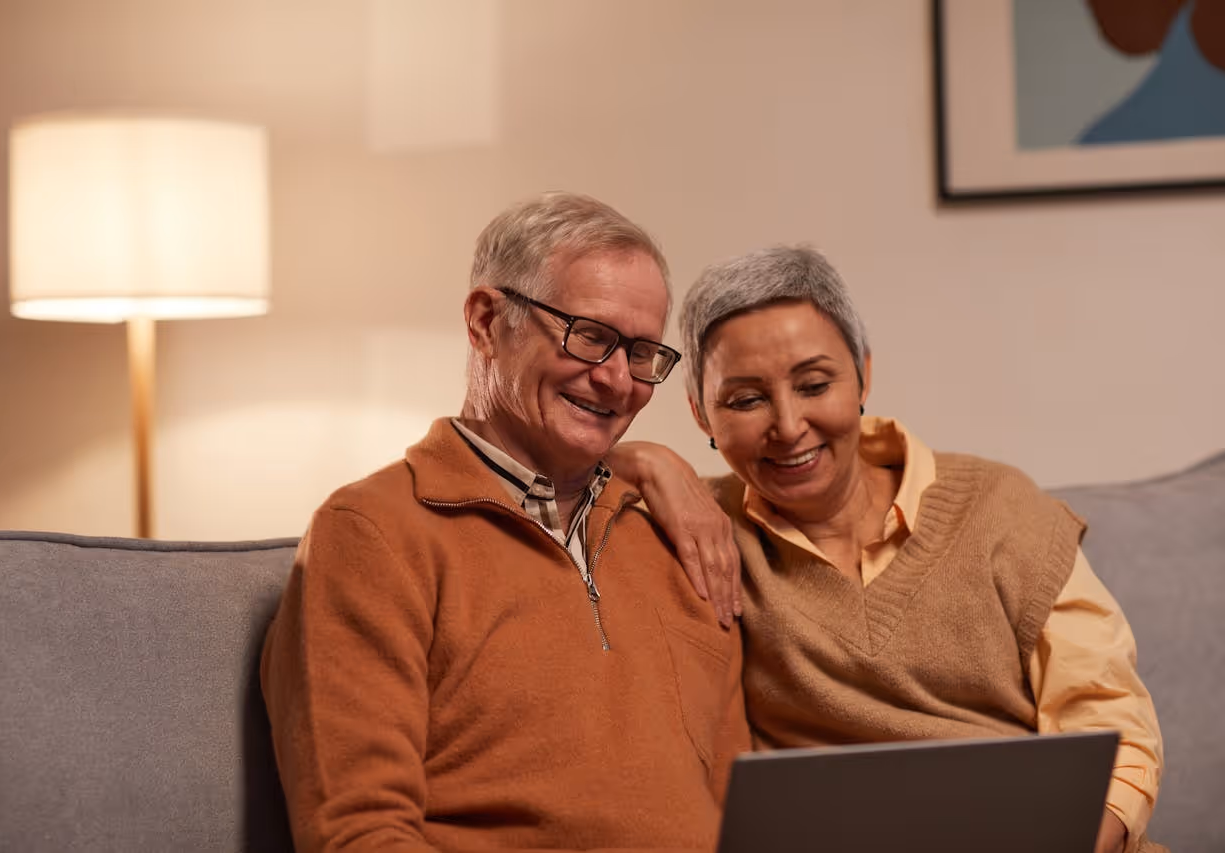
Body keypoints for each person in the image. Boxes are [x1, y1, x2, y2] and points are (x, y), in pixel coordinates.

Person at [612, 246, 1167, 853]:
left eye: (814, 384)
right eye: (746, 400)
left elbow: (1112, 722)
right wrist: (641, 460)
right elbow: (524, 465)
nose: (790, 425)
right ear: (700, 416)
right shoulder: (702, 532)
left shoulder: (999, 506)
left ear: (863, 377)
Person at [260, 191, 750, 853]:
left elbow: (745, 817)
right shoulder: (372, 533)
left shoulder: (682, 536)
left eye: (639, 352)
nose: (616, 380)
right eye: (590, 336)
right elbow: (359, 833)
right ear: (487, 322)